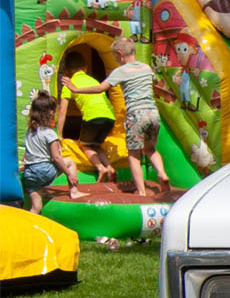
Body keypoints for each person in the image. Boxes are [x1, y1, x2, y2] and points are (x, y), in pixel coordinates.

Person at [63, 37, 165, 195]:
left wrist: (75, 89)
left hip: (136, 115)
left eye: (115, 57)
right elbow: (156, 86)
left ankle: (141, 192)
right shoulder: (146, 68)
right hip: (153, 113)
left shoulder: (121, 71)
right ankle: (162, 173)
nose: (116, 60)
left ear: (120, 54)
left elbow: (100, 88)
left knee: (134, 155)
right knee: (151, 149)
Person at [19, 93, 86, 212]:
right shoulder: (49, 133)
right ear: (50, 113)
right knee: (69, 162)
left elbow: (30, 153)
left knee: (36, 207)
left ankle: (28, 227)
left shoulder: (30, 131)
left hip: (30, 174)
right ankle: (74, 192)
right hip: (43, 171)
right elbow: (56, 157)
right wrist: (69, 174)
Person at [57, 49, 116, 182]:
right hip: (110, 117)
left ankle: (100, 168)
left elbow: (62, 111)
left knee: (85, 145)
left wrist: (59, 134)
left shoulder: (69, 84)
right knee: (96, 145)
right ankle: (110, 167)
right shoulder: (93, 81)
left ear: (66, 71)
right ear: (86, 67)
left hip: (92, 117)